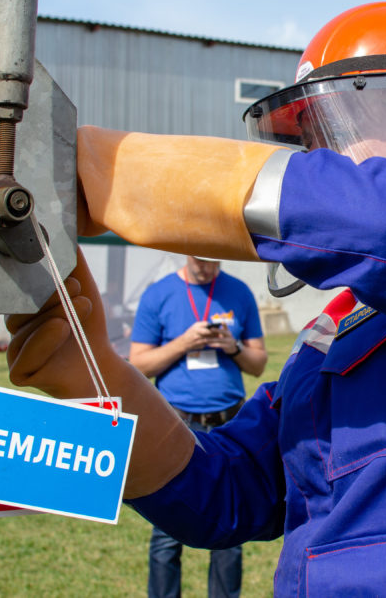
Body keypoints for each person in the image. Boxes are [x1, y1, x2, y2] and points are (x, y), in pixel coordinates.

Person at [7, 2, 386, 595]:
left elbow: (385, 220)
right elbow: (224, 494)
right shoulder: (332, 336)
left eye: (336, 132)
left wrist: (115, 170)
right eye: (309, 142)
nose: (315, 160)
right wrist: (91, 375)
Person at [129, 256, 267, 598]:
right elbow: (138, 365)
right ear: (185, 252)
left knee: (230, 526)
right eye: (199, 260)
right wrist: (184, 343)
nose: (206, 267)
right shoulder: (159, 294)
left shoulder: (238, 292)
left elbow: (259, 363)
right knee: (167, 531)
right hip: (176, 424)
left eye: (212, 260)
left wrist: (233, 348)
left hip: (229, 423)